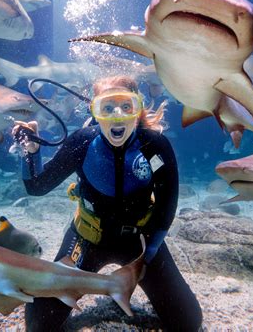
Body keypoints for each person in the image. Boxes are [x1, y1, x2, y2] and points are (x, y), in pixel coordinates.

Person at [12, 76, 202, 331]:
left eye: (127, 106)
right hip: (88, 238)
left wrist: (152, 251)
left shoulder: (154, 146)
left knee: (188, 322)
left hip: (141, 242)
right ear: (95, 111)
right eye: (107, 107)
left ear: (138, 110)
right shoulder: (81, 142)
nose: (117, 116)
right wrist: (31, 151)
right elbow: (36, 187)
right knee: (39, 324)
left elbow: (168, 202)